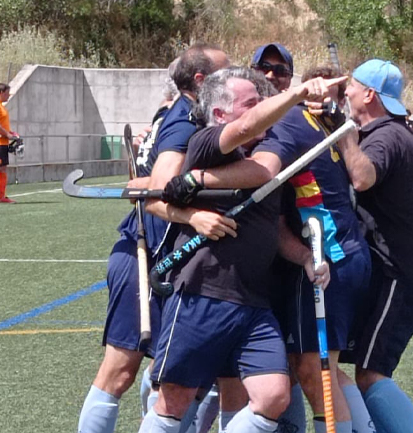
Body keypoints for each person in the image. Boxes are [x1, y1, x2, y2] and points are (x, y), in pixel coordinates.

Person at [138, 68, 341, 433]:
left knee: (273, 396)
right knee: (175, 399)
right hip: (202, 294)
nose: (261, 108)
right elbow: (245, 126)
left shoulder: (263, 156)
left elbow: (275, 231)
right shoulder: (205, 143)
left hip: (253, 302)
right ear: (220, 114)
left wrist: (307, 258)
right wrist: (297, 94)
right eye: (251, 103)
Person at [77, 44, 229, 433]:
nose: (231, 79)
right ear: (200, 80)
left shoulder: (181, 112)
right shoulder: (182, 122)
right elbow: (154, 189)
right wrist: (192, 216)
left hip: (170, 258)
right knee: (119, 371)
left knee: (179, 372)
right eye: (224, 73)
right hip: (147, 253)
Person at [249, 58, 376, 433]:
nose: (271, 77)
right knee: (323, 370)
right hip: (340, 255)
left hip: (328, 258)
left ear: (294, 84)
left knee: (313, 370)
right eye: (263, 70)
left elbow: (261, 173)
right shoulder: (312, 120)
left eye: (279, 72)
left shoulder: (288, 122)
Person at [335, 59, 413, 433]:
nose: (347, 93)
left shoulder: (388, 135)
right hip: (386, 270)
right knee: (353, 368)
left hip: (396, 273)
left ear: (370, 94)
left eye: (352, 87)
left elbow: (362, 177)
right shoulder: (390, 131)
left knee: (372, 373)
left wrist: (343, 135)